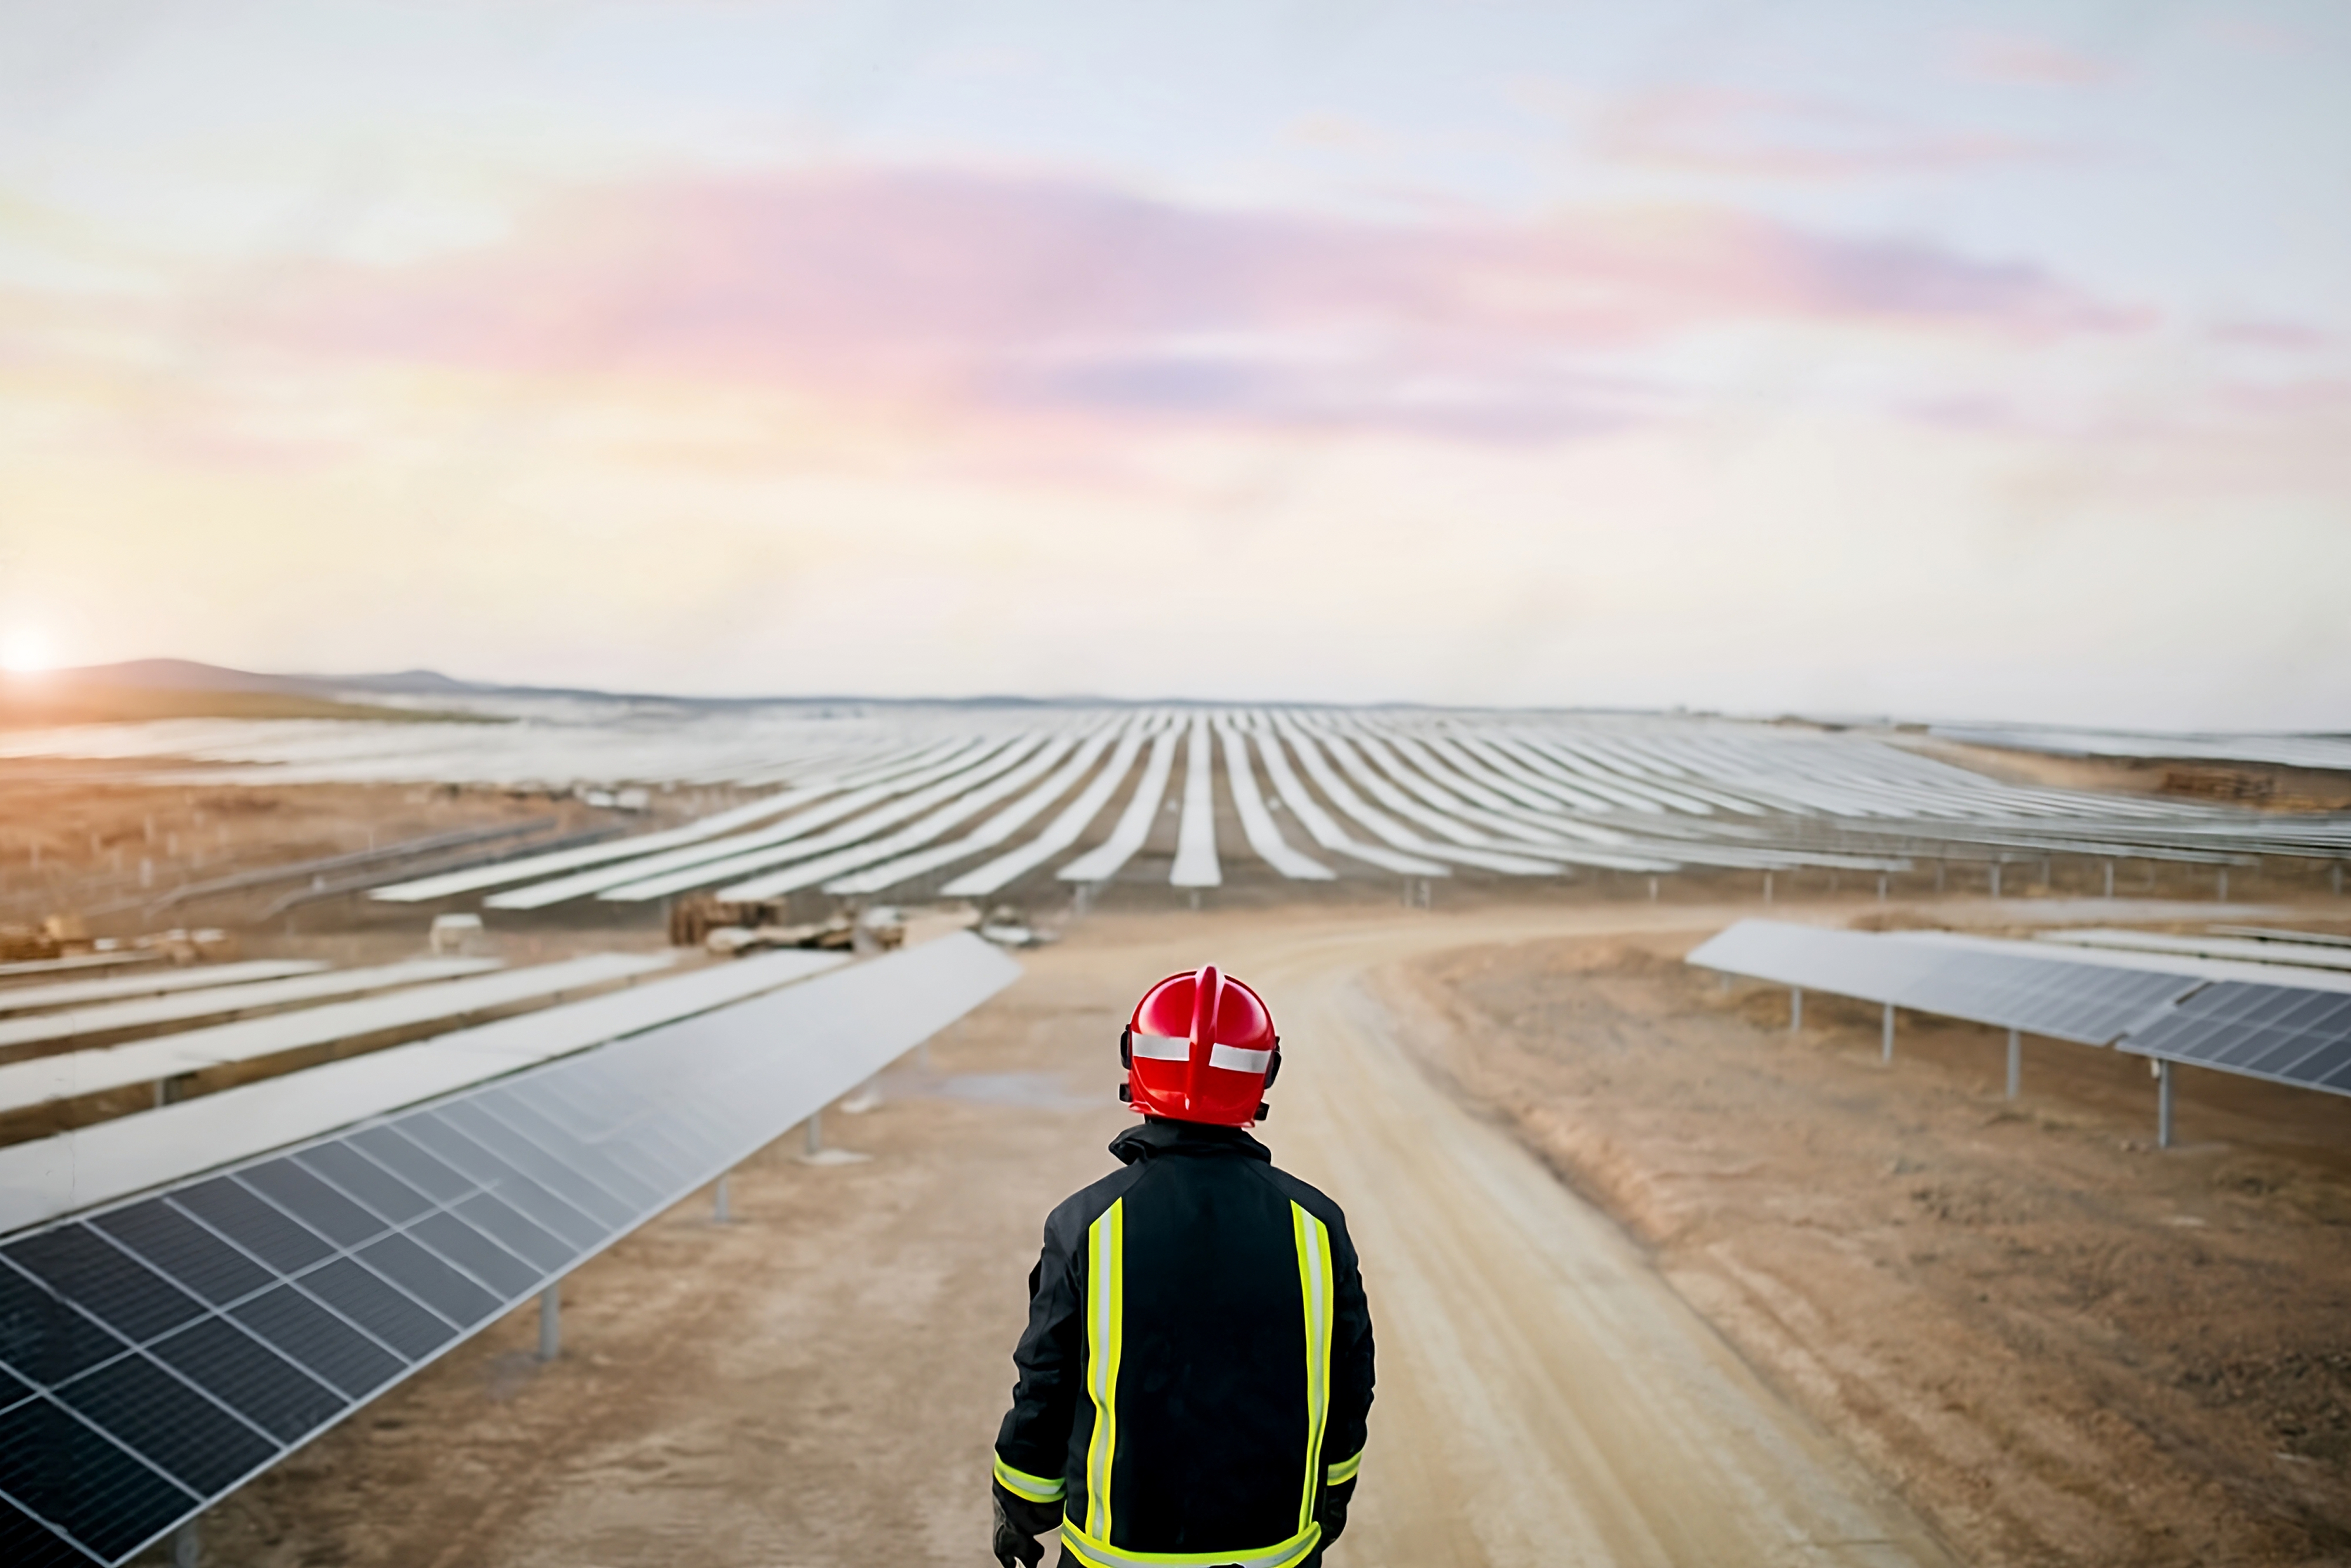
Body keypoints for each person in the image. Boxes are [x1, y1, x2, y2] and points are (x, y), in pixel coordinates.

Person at [991, 964, 1375, 1568]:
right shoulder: (1316, 1224)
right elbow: (1349, 1386)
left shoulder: (1087, 1223)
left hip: (1114, 1556)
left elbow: (1046, 1383)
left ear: (1135, 1062)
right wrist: (1330, 1502)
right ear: (1262, 1075)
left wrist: (1019, 1507)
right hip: (1274, 1555)